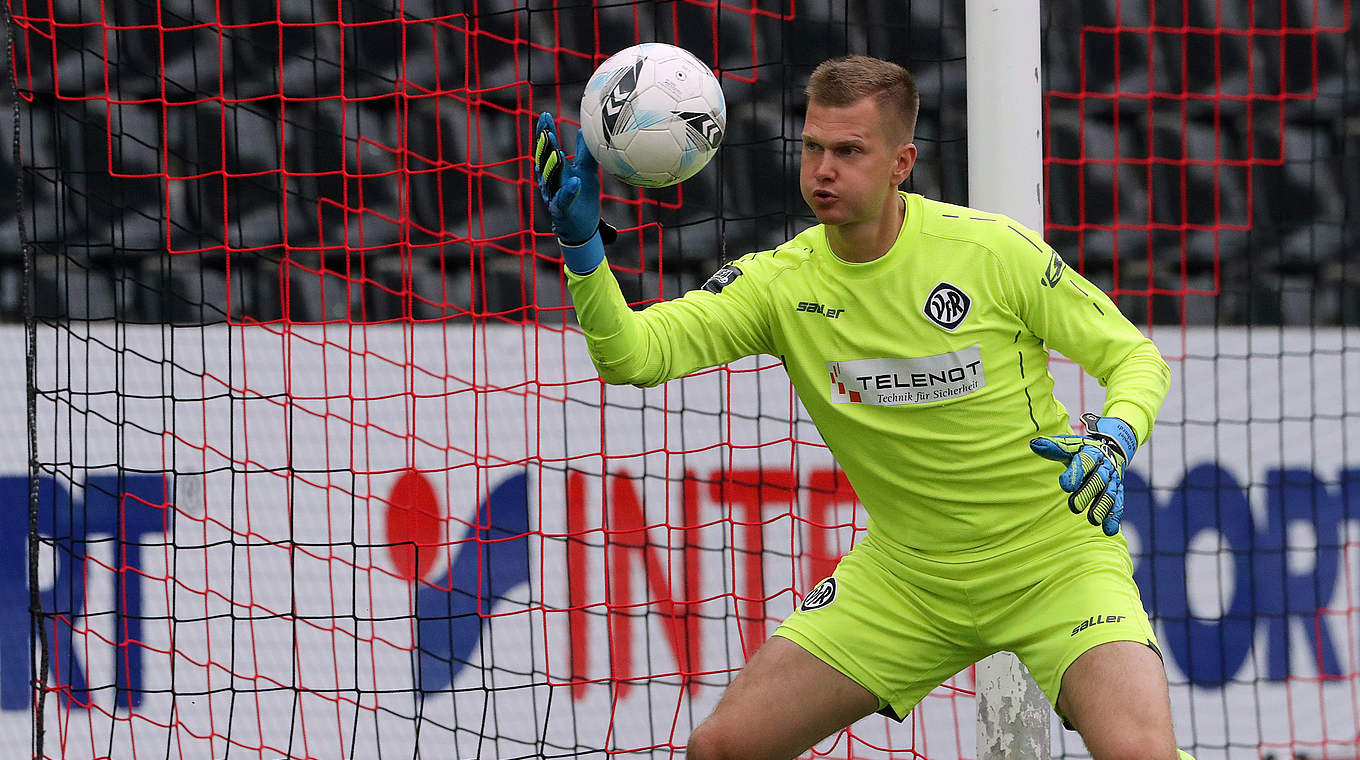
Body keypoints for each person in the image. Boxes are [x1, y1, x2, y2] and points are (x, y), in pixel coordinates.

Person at [532, 55, 1192, 760]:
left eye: (849, 151)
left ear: (901, 161)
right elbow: (634, 356)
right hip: (908, 580)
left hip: (1055, 563)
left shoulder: (989, 251)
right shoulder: (779, 285)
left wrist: (1114, 438)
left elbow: (1135, 358)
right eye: (813, 146)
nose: (823, 169)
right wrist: (581, 250)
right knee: (720, 749)